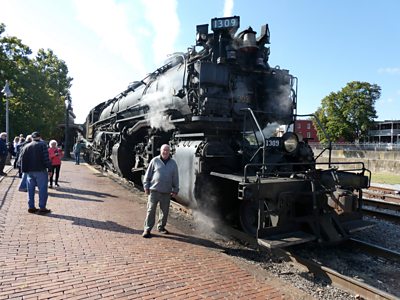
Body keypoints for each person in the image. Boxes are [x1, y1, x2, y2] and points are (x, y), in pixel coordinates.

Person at [142, 144, 179, 238]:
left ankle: (161, 227)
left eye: (167, 150)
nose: (165, 152)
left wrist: (175, 189)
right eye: (164, 150)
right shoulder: (154, 160)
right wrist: (146, 186)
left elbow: (175, 177)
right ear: (161, 151)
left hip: (166, 191)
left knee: (165, 211)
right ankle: (147, 229)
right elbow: (148, 175)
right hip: (154, 190)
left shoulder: (173, 163)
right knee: (151, 210)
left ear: (169, 152)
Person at [19, 131, 52, 214]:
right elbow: (46, 158)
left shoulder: (26, 146)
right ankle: (42, 207)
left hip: (29, 171)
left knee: (30, 190)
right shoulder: (42, 145)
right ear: (39, 137)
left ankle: (31, 207)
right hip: (40, 170)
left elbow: (21, 160)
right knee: (42, 189)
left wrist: (24, 170)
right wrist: (50, 169)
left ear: (32, 138)